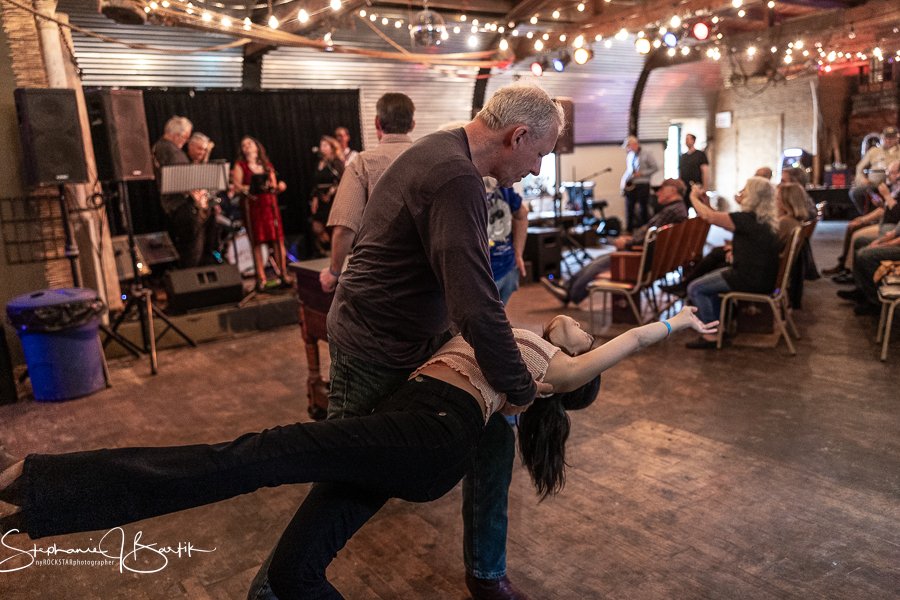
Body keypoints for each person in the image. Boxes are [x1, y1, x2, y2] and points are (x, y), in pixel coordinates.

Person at [0, 308, 717, 600]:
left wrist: (677, 321)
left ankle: (37, 486)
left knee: (252, 454)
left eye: (585, 333)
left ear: (577, 362)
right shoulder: (509, 331)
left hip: (433, 435)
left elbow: (629, 342)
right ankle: (40, 494)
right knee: (295, 572)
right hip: (401, 424)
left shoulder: (551, 371)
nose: (578, 322)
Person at [271, 84, 563, 600]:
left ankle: (486, 571)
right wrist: (518, 385)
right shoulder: (454, 175)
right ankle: (274, 589)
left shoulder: (444, 150)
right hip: (374, 346)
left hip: (419, 339)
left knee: (492, 438)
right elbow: (475, 301)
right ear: (517, 136)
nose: (537, 169)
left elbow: (465, 295)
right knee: (350, 477)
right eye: (540, 154)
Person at [320, 93, 416, 293]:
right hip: (426, 276)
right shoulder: (431, 159)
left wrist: (334, 272)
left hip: (381, 278)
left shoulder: (362, 163)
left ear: (377, 122)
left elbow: (345, 227)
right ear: (412, 124)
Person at [541, 178, 688, 306]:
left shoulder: (672, 211)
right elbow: (653, 236)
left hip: (641, 259)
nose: (658, 193)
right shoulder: (677, 209)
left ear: (672, 190)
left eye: (661, 189)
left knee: (598, 264)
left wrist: (628, 244)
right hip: (651, 258)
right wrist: (631, 240)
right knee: (598, 260)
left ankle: (570, 294)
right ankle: (567, 287)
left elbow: (651, 237)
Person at [684, 176, 782, 349]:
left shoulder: (747, 219)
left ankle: (711, 335)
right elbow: (716, 216)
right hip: (759, 276)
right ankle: (719, 328)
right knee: (707, 280)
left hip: (749, 278)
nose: (741, 192)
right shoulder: (762, 219)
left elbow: (709, 217)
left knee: (695, 288)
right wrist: (705, 203)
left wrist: (692, 197)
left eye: (745, 190)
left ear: (753, 196)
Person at [825, 160, 900, 281]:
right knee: (855, 228)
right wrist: (863, 219)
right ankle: (846, 267)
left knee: (858, 237)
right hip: (889, 226)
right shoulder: (895, 188)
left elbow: (896, 214)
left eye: (890, 173)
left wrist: (885, 242)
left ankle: (851, 272)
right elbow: (886, 210)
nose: (887, 175)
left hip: (890, 226)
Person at [152, 116, 211, 268]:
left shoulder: (161, 148)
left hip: (176, 204)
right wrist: (199, 196)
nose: (185, 141)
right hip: (182, 205)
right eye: (185, 137)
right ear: (176, 134)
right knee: (192, 250)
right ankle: (191, 278)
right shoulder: (170, 150)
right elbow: (182, 180)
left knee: (191, 247)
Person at [231, 136, 289, 290]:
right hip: (253, 206)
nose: (247, 146)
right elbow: (237, 186)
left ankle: (283, 273)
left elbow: (273, 185)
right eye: (244, 145)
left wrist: (280, 186)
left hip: (269, 205)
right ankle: (261, 278)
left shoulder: (266, 165)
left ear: (257, 146)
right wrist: (249, 188)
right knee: (257, 242)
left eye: (249, 143)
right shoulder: (240, 165)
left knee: (277, 239)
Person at [486, 178, 528, 305]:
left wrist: (518, 254)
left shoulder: (468, 185)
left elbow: (522, 213)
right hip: (504, 267)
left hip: (491, 272)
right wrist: (518, 254)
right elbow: (522, 213)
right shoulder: (500, 183)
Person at [184, 132, 225, 264]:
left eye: (205, 150)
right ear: (190, 146)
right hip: (192, 210)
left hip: (208, 209)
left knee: (211, 240)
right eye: (199, 148)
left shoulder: (205, 165)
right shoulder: (184, 164)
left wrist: (213, 202)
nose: (202, 152)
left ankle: (213, 261)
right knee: (196, 245)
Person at [849, 126, 900, 215]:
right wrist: (862, 179)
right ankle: (867, 216)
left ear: (897, 138)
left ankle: (890, 215)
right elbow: (859, 168)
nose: (888, 140)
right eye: (886, 138)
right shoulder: (874, 151)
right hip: (873, 184)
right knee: (855, 192)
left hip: (895, 185)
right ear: (882, 137)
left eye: (891, 138)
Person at [309, 135, 345, 256]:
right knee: (317, 226)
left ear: (332, 147)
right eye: (321, 145)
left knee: (334, 226)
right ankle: (328, 249)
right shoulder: (319, 163)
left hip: (333, 198)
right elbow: (315, 183)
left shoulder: (336, 162)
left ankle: (336, 251)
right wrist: (315, 198)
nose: (322, 148)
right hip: (321, 198)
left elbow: (342, 180)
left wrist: (330, 192)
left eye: (325, 145)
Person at [621, 135, 659, 232]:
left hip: (643, 184)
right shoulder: (630, 155)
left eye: (629, 146)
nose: (628, 149)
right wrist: (623, 183)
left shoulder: (646, 154)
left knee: (643, 208)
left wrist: (642, 173)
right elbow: (629, 171)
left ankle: (644, 229)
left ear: (635, 144)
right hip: (632, 184)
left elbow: (655, 167)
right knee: (629, 207)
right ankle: (629, 230)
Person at [678, 133, 709, 205]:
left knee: (699, 207)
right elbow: (680, 172)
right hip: (685, 188)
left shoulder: (700, 155)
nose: (686, 141)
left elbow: (705, 171)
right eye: (686, 139)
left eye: (688, 139)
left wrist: (705, 188)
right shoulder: (683, 156)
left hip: (697, 187)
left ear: (693, 141)